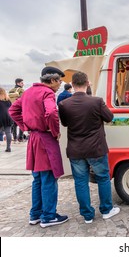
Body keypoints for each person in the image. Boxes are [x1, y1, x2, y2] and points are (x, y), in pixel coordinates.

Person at [9, 66, 69, 228]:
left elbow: (13, 110)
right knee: (49, 178)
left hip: (33, 139)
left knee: (37, 179)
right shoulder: (47, 93)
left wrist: (25, 127)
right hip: (45, 138)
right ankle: (48, 216)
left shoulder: (28, 92)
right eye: (59, 81)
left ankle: (35, 214)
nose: (60, 85)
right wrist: (55, 131)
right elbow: (50, 113)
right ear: (52, 81)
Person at [58, 71, 119, 224]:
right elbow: (110, 118)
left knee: (80, 182)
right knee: (103, 178)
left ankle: (87, 215)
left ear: (72, 85)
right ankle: (106, 210)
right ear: (87, 83)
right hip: (96, 148)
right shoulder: (97, 101)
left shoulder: (64, 104)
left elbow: (65, 123)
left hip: (76, 149)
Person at [9, 78, 25, 142]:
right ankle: (20, 138)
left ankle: (14, 137)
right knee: (21, 123)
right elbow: (23, 99)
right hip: (19, 109)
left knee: (14, 124)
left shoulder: (11, 90)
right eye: (22, 83)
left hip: (12, 109)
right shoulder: (21, 90)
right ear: (18, 83)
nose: (23, 84)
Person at [0, 88, 13, 152]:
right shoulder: (8, 101)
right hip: (8, 117)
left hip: (0, 117)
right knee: (8, 132)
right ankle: (8, 147)